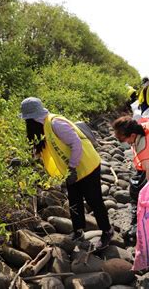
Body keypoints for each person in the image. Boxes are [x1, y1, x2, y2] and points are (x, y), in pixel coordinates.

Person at [18, 97, 114, 250]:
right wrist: (25, 160)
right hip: (72, 169)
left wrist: (72, 168)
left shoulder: (55, 123)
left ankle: (107, 231)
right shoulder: (43, 126)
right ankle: (78, 231)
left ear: (31, 118)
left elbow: (76, 143)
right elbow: (43, 149)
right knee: (74, 199)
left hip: (86, 165)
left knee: (94, 200)